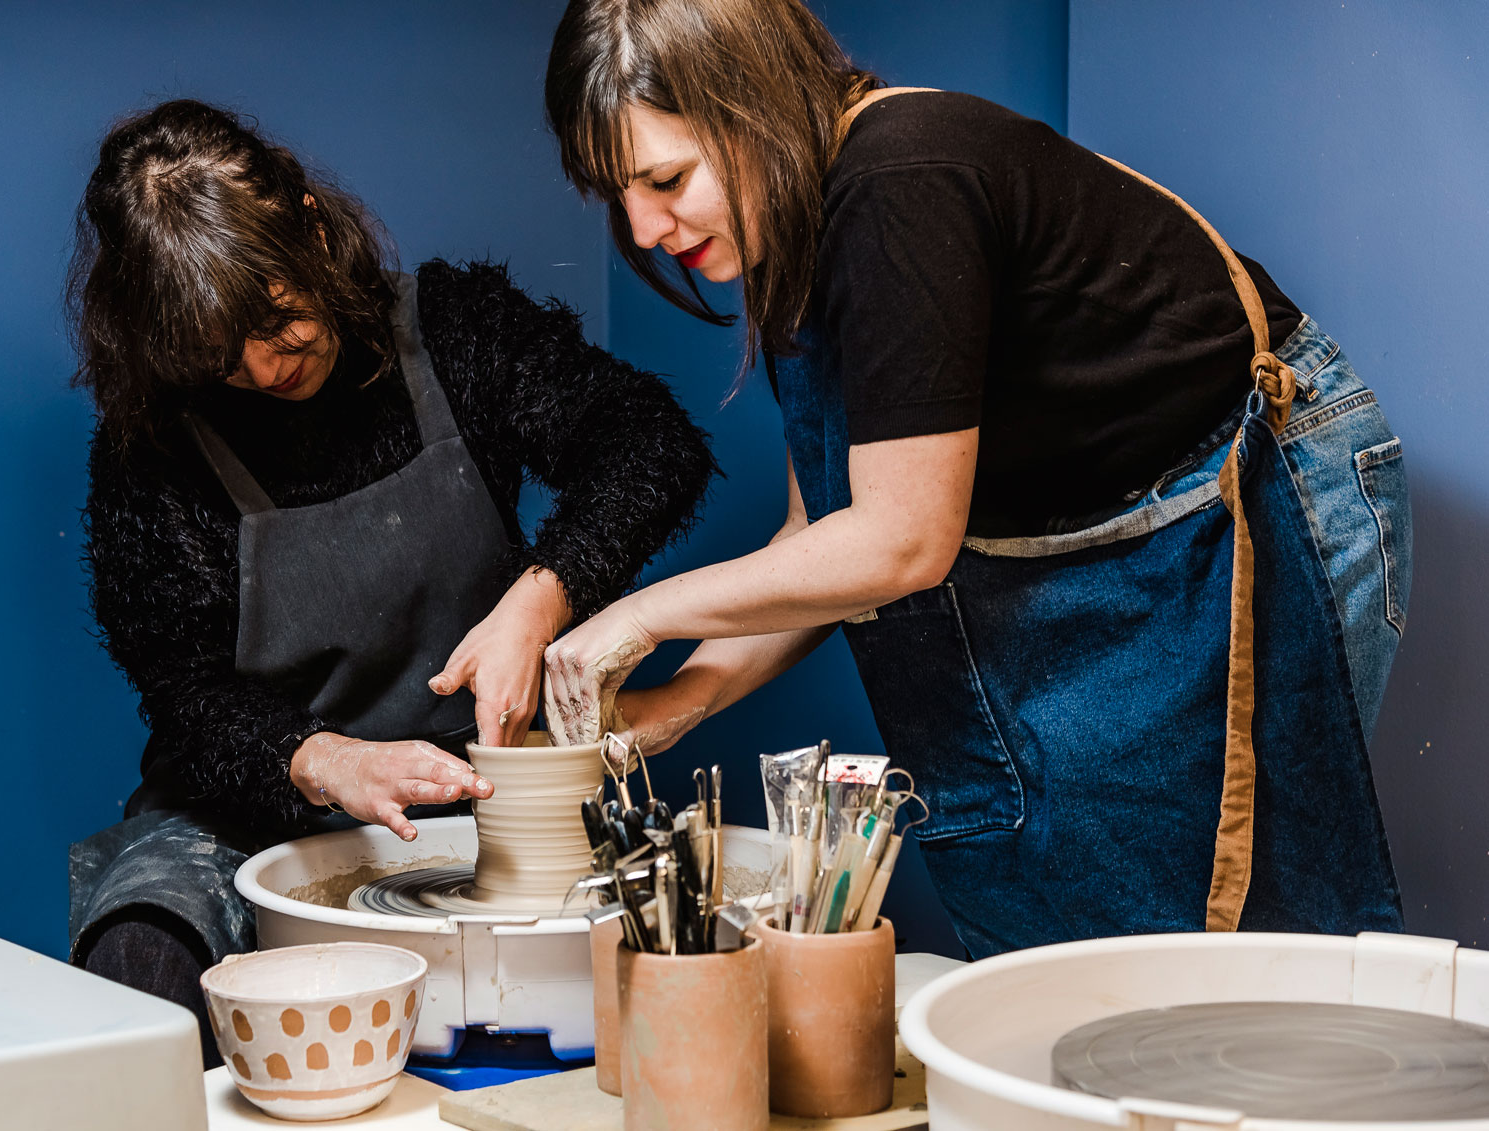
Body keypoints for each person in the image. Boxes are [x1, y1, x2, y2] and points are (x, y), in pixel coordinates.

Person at [540, 0, 1409, 957]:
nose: (645, 228)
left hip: (1249, 485)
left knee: (1218, 939)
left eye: (665, 179)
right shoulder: (795, 233)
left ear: (752, 104)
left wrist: (639, 616)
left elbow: (898, 540)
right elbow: (822, 540)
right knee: (1085, 933)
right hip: (1110, 533)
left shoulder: (900, 180)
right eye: (618, 195)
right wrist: (679, 702)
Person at [65, 99, 714, 1064]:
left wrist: (542, 595)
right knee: (140, 962)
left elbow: (648, 442)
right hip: (245, 811)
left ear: (313, 229)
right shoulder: (154, 444)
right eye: (218, 354)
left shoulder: (452, 328)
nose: (263, 369)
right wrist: (324, 760)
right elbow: (185, 694)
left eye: (277, 319)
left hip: (473, 787)